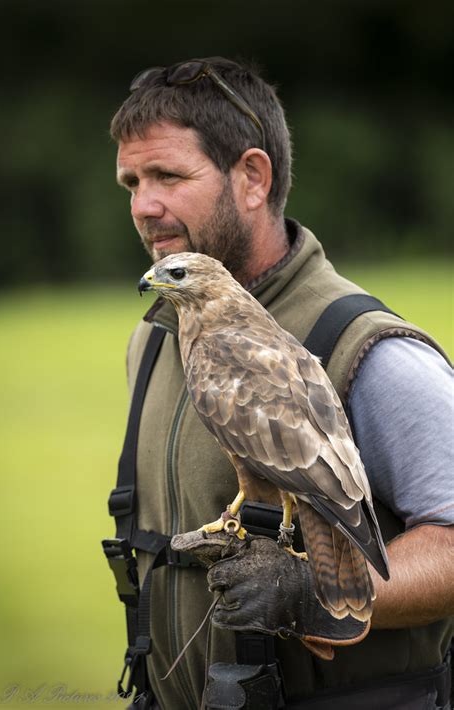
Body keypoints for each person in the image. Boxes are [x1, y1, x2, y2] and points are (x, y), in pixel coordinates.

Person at [108, 57, 453, 709]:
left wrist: (312, 588)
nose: (143, 204)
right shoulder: (155, 340)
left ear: (253, 178)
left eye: (167, 176)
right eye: (130, 182)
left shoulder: (368, 348)